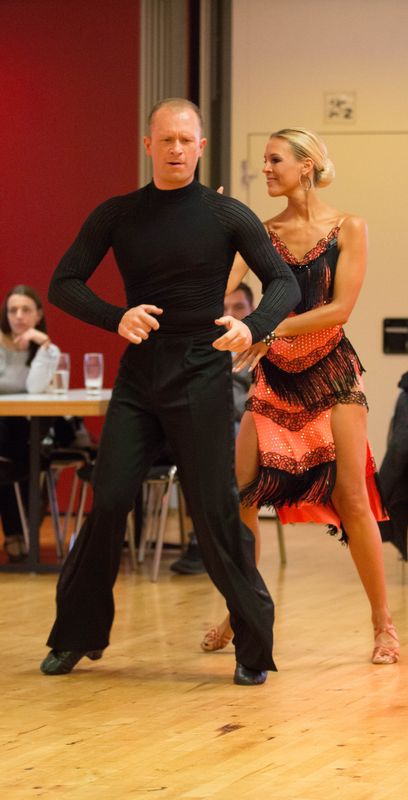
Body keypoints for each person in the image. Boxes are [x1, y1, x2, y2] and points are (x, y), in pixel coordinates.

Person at [40, 98, 300, 686]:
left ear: (200, 147)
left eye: (186, 140)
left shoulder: (227, 214)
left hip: (201, 371)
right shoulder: (118, 214)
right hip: (140, 374)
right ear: (148, 146)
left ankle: (252, 645)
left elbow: (283, 282)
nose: (177, 149)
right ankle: (76, 635)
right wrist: (116, 317)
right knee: (109, 500)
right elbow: (63, 282)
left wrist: (254, 327)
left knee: (211, 508)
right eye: (166, 140)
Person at [201, 128, 399, 665]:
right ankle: (242, 609)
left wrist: (267, 329)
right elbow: (217, 290)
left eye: (275, 160)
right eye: (264, 160)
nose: (265, 169)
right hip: (274, 375)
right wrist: (210, 230)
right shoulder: (260, 232)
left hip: (331, 373)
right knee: (242, 496)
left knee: (352, 499)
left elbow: (339, 309)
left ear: (306, 166)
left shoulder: (348, 227)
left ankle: (383, 624)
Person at [170, 282, 255, 575]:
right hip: (193, 421)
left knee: (218, 436)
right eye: (224, 308)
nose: (230, 314)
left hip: (239, 424)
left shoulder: (258, 349)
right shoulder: (198, 346)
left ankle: (207, 540)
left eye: (238, 307)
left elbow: (252, 402)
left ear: (252, 310)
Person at [0, 285, 60, 561]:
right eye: (13, 310)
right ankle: (20, 531)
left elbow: (35, 388)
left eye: (25, 310)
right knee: (11, 447)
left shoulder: (46, 350)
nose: (19, 316)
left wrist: (43, 343)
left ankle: (18, 533)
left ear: (38, 314)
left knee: (16, 451)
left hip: (26, 428)